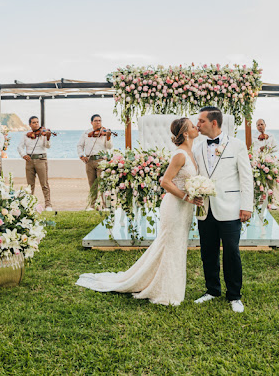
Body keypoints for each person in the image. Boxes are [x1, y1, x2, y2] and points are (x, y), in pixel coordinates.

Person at [76, 118, 203, 305]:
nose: (196, 127)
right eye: (193, 126)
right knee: (170, 246)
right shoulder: (180, 155)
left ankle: (166, 283)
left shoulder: (190, 152)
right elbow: (165, 182)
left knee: (176, 246)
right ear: (185, 133)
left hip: (185, 208)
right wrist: (186, 197)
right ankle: (166, 291)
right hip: (175, 206)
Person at [193, 106, 254, 313]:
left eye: (201, 121)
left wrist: (247, 206)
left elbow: (246, 176)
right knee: (207, 252)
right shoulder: (197, 147)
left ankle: (234, 295)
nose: (197, 125)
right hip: (205, 209)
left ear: (214, 122)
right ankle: (212, 290)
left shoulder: (236, 145)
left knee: (231, 252)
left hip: (230, 208)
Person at [77, 114, 113, 210]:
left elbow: (109, 147)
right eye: (96, 121)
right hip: (89, 161)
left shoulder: (105, 132)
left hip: (101, 160)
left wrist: (108, 137)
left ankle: (106, 206)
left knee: (103, 184)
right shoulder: (86, 133)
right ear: (91, 122)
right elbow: (80, 145)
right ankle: (93, 206)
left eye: (99, 121)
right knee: (92, 185)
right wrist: (81, 155)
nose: (98, 122)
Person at [17, 116, 53, 211]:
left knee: (44, 184)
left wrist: (48, 137)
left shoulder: (44, 133)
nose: (36, 124)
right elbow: (20, 147)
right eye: (34, 122)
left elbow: (48, 146)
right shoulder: (25, 135)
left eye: (37, 122)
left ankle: (48, 204)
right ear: (30, 124)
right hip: (29, 161)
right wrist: (24, 155)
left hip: (41, 159)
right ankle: (29, 204)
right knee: (30, 184)